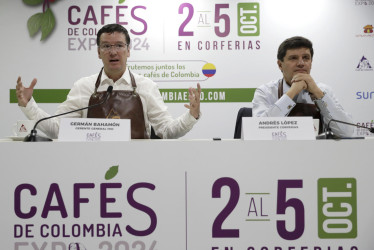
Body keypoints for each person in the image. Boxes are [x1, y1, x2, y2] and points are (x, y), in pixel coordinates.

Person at [16, 24, 201, 139]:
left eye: (119, 46)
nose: (113, 52)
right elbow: (58, 130)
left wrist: (190, 116)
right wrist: (29, 105)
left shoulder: (146, 86)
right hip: (92, 168)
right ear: (98, 52)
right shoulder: (84, 86)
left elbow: (166, 131)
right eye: (106, 46)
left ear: (128, 51)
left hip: (140, 167)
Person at [252, 36, 354, 137]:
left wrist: (319, 95)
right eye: (293, 58)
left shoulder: (324, 90)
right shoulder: (265, 92)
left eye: (306, 58)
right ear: (280, 65)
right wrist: (291, 93)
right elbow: (258, 131)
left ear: (311, 62)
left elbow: (347, 132)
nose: (301, 63)